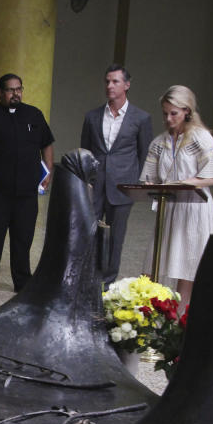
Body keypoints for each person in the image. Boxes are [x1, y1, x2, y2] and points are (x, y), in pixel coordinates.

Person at [0, 73, 54, 301]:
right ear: (0, 92)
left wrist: (48, 171)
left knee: (22, 239)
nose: (15, 93)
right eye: (10, 90)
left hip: (26, 193)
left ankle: (22, 282)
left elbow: (47, 144)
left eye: (19, 89)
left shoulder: (34, 114)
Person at [140, 85, 213, 307]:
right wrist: (149, 184)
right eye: (165, 113)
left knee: (187, 261)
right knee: (158, 259)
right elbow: (150, 177)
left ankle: (180, 318)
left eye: (173, 113)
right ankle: (153, 312)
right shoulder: (159, 143)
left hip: (194, 207)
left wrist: (188, 183)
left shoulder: (200, 138)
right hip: (170, 206)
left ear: (187, 111)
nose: (168, 118)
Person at [80, 64, 153, 286]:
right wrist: (86, 182)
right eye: (107, 81)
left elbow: (145, 153)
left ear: (127, 85)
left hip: (122, 187)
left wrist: (136, 185)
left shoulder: (141, 118)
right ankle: (86, 279)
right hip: (95, 185)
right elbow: (85, 151)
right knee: (88, 232)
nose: (110, 85)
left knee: (116, 238)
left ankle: (108, 283)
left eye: (115, 81)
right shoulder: (92, 116)